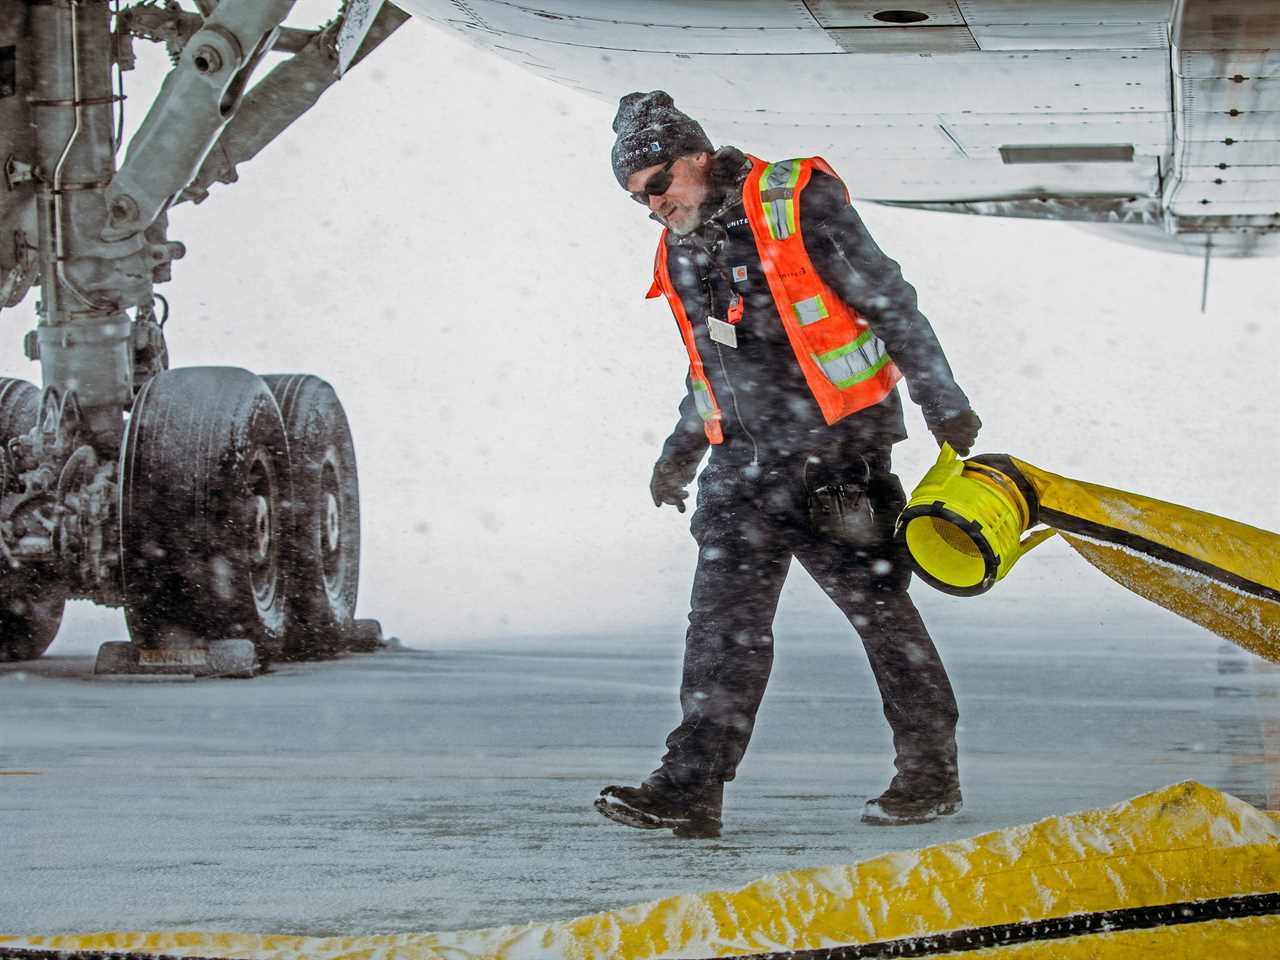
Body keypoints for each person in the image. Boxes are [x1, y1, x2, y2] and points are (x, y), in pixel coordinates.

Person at [593, 91, 983, 839]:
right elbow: (710, 363)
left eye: (657, 185)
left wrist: (942, 398)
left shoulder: (795, 204)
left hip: (838, 458)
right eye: (638, 198)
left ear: (699, 157)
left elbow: (889, 301)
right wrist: (679, 454)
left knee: (881, 618)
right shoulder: (682, 243)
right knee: (720, 631)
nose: (652, 206)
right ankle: (689, 788)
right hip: (742, 468)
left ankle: (930, 773)